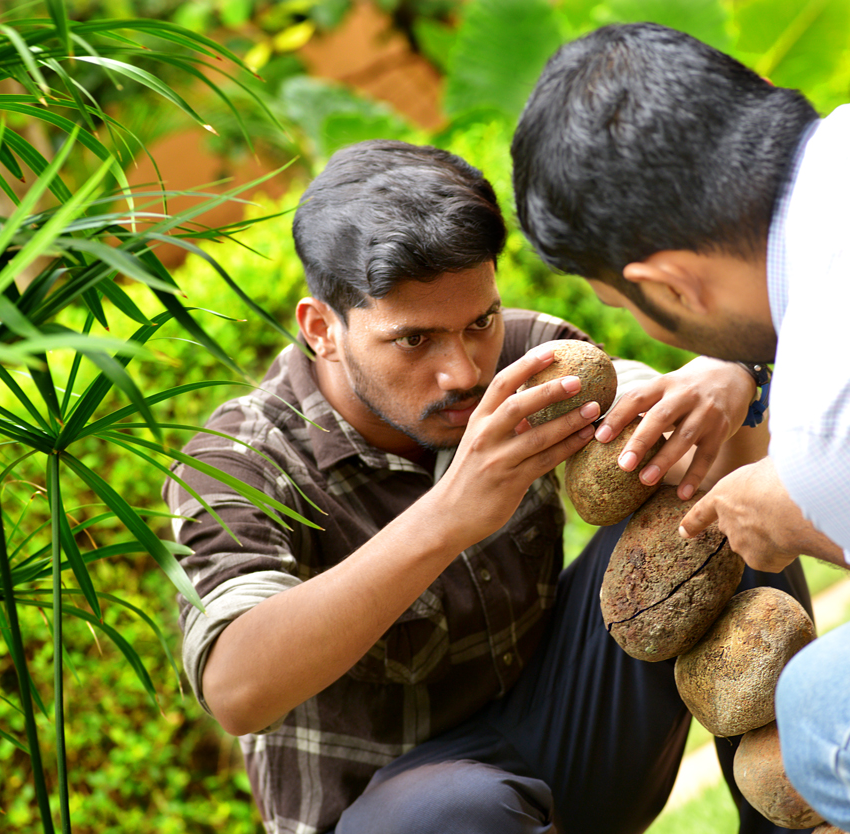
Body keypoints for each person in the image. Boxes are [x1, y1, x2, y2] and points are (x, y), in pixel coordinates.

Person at [164, 139, 809, 834]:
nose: (464, 372)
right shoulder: (235, 461)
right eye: (414, 341)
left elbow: (736, 474)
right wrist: (449, 516)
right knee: (452, 810)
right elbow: (234, 690)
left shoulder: (530, 362)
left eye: (480, 322)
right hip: (406, 814)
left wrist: (733, 382)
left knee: (713, 518)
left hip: (567, 731)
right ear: (321, 329)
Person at [511, 22, 850, 831]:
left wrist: (806, 509)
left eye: (624, 306)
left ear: (670, 285)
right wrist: (747, 378)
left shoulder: (825, 420)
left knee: (820, 715)